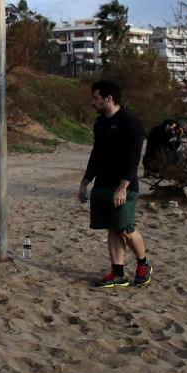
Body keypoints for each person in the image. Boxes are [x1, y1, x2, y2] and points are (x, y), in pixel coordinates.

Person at [78, 80, 152, 288]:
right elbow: (96, 154)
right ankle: (118, 272)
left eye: (96, 98)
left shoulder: (132, 123)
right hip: (103, 183)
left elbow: (133, 159)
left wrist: (122, 187)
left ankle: (143, 264)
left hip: (124, 186)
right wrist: (85, 181)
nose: (93, 102)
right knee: (111, 228)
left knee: (125, 228)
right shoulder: (100, 123)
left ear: (109, 99)